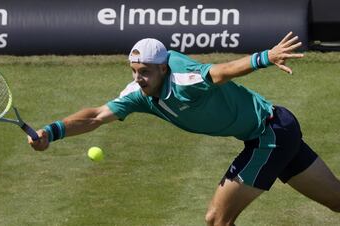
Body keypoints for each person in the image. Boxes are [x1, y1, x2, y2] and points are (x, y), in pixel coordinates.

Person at [28, 32, 340, 225]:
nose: (139, 78)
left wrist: (265, 57)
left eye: (145, 72)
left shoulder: (185, 80)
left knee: (217, 219)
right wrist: (50, 132)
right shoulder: (140, 94)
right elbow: (95, 116)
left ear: (163, 68)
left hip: (270, 133)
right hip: (275, 130)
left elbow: (220, 72)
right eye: (134, 71)